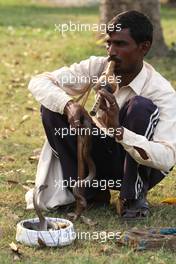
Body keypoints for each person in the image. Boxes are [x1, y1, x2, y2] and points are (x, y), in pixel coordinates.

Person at [26, 10, 176, 220]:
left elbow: (167, 157)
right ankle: (89, 191)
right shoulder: (98, 66)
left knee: (141, 107)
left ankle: (132, 197)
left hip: (132, 163)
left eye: (120, 44)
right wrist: (69, 105)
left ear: (144, 47)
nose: (111, 52)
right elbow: (38, 81)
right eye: (109, 43)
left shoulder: (161, 92)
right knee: (52, 107)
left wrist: (119, 130)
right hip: (98, 154)